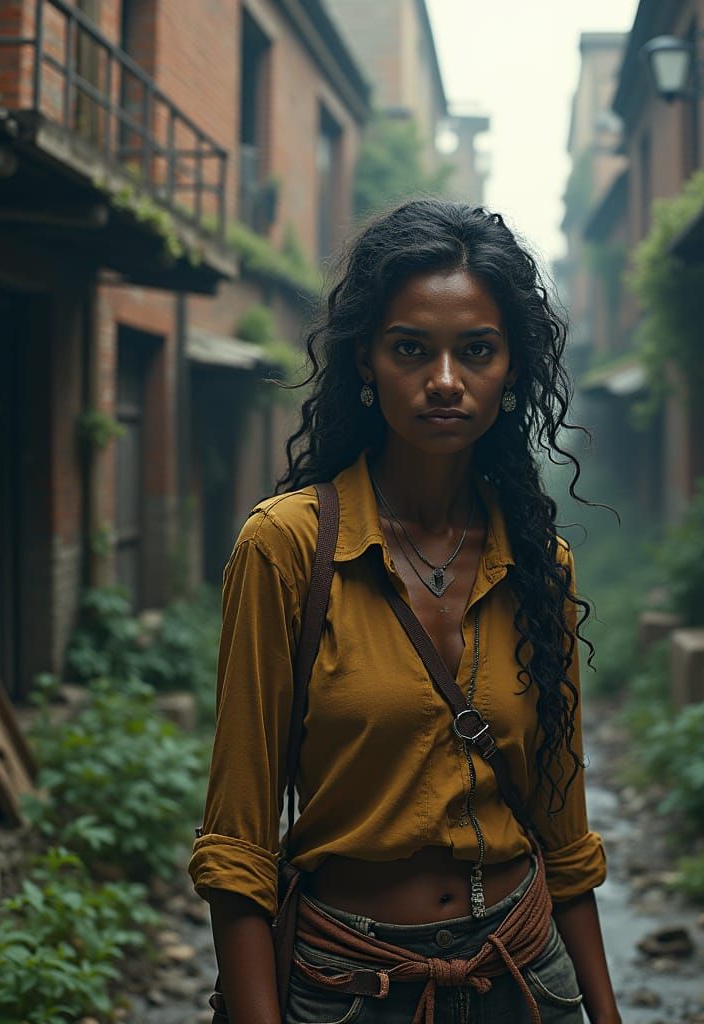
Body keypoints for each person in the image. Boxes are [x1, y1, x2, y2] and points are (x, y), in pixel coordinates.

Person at [188, 199, 623, 1024]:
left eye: (478, 351)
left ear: (512, 370)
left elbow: (565, 844)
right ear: (365, 360)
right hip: (352, 984)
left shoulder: (540, 565)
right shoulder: (287, 550)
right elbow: (238, 846)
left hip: (527, 975)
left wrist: (606, 1017)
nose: (446, 381)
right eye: (411, 349)